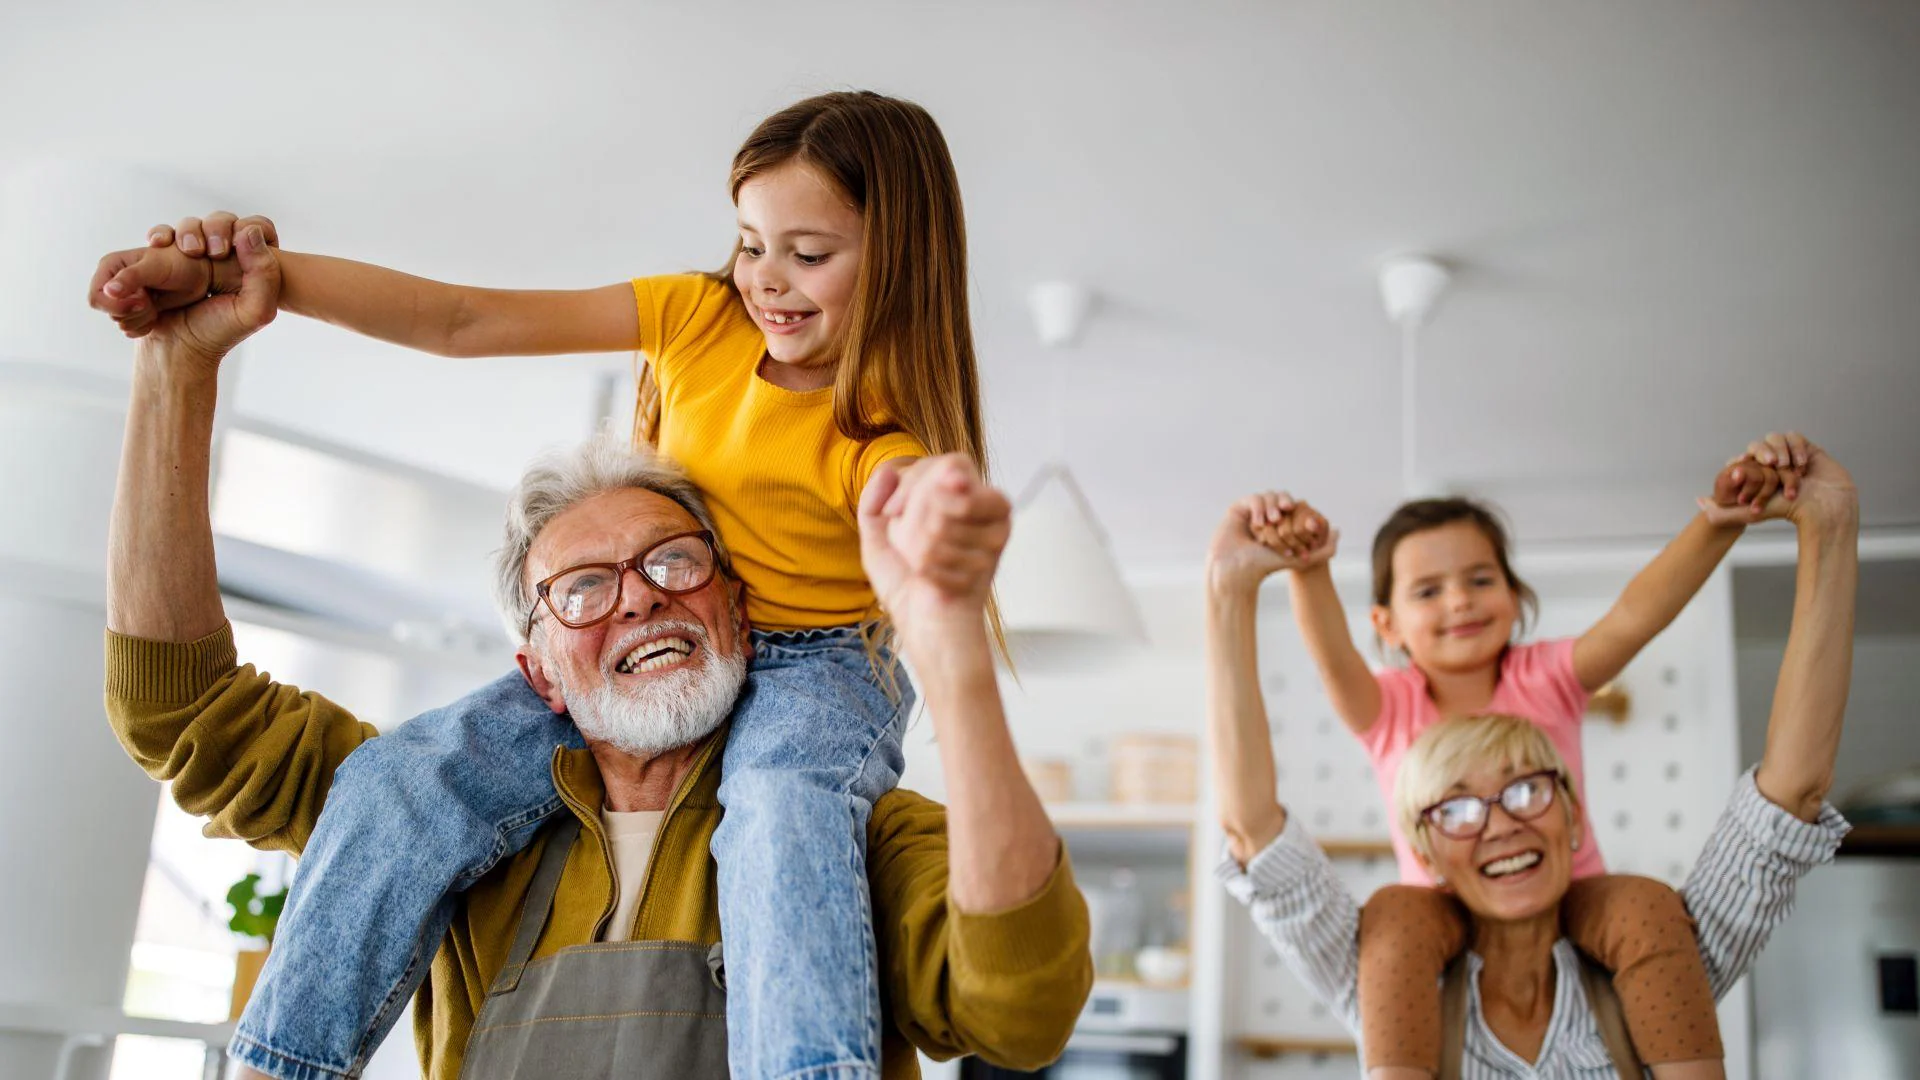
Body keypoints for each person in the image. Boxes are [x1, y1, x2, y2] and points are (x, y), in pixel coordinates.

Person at [91, 91, 991, 1079]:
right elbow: (464, 319)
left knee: (781, 811)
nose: (766, 281)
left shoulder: (883, 446)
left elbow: (1013, 998)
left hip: (822, 670)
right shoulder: (699, 319)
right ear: (540, 663)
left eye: (808, 254)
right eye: (749, 244)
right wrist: (266, 281)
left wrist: (941, 560)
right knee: (400, 778)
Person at [1204, 437, 1856, 1077]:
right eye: (1428, 591)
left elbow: (1636, 616)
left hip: (1578, 897)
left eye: (1526, 790)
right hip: (1433, 913)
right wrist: (1303, 568)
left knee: (1643, 908)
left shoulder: (1546, 679)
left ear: (1570, 810)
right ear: (1387, 624)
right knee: (1398, 917)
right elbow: (1324, 676)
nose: (1458, 600)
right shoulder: (1396, 980)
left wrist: (1720, 523)